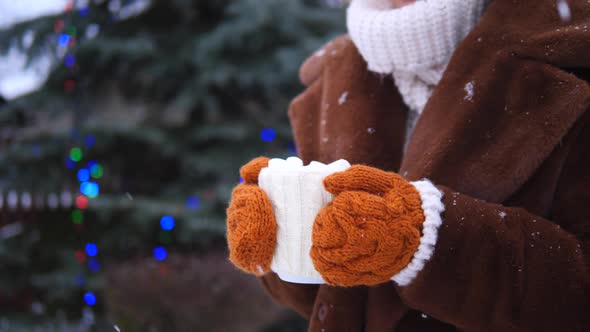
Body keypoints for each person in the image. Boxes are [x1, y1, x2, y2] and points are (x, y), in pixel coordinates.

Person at [226, 0, 590, 331]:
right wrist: (276, 246)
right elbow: (336, 302)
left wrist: (428, 239)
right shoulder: (332, 80)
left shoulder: (569, 52)